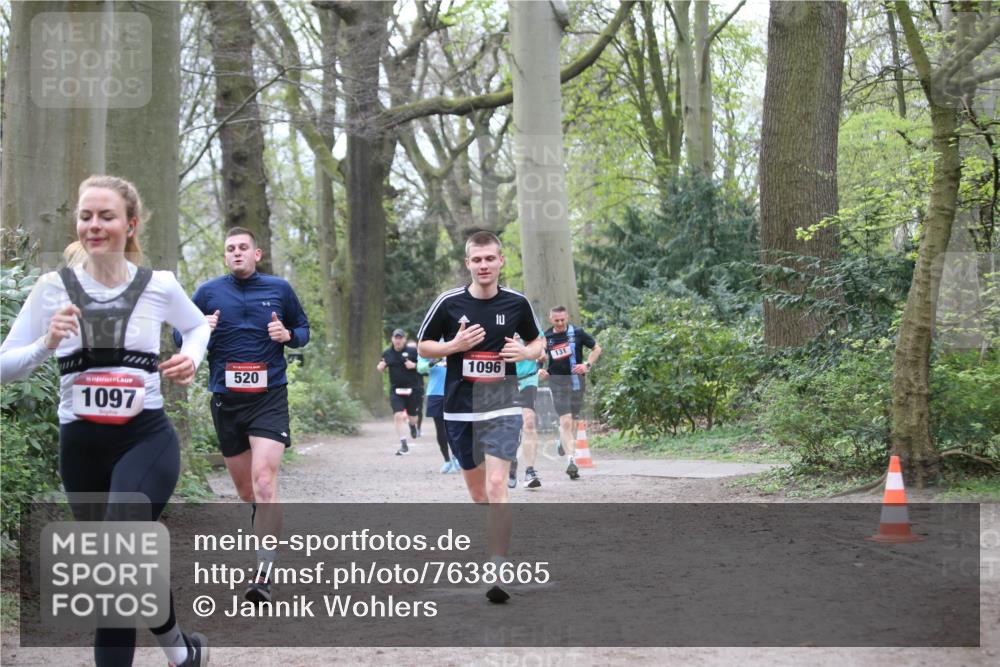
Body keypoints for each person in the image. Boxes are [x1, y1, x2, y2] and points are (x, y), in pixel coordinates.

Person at [0, 175, 211, 667]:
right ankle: (181, 652)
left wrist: (192, 357)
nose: (94, 225)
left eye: (107, 216)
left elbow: (197, 325)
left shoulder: (159, 285)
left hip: (146, 439)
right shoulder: (53, 289)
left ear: (130, 224)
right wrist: (45, 345)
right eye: (86, 216)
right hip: (81, 447)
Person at [184, 226, 310, 605]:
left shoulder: (279, 288)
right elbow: (180, 336)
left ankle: (264, 571)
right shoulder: (207, 293)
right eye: (230, 249)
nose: (237, 253)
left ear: (257, 253)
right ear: (225, 256)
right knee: (246, 491)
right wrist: (198, 328)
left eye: (243, 248)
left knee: (265, 480)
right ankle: (265, 522)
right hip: (226, 400)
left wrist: (287, 335)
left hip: (269, 396)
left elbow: (304, 331)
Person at [418, 231, 544, 603]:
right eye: (477, 259)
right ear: (468, 263)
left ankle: (498, 567)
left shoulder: (517, 303)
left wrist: (525, 353)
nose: (484, 265)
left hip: (503, 405)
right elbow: (424, 345)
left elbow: (538, 343)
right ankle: (496, 531)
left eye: (490, 258)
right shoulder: (449, 303)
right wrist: (454, 347)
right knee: (478, 493)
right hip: (460, 409)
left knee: (496, 485)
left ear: (501, 261)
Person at [538, 305, 602, 480]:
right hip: (557, 382)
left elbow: (597, 348)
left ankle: (562, 441)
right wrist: (540, 371)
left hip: (576, 382)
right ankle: (571, 461)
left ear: (567, 318)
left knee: (573, 422)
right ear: (551, 319)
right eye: (556, 320)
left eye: (562, 320)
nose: (559, 323)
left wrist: (587, 365)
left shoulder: (578, 333)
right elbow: (540, 357)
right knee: (565, 421)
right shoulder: (546, 336)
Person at [377, 329, 421, 455]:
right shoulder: (387, 353)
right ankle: (404, 445)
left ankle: (413, 426)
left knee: (413, 418)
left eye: (400, 338)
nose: (398, 340)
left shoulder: (413, 351)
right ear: (392, 339)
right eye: (396, 338)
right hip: (396, 390)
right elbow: (381, 365)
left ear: (404, 340)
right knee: (398, 415)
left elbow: (424, 365)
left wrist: (414, 365)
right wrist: (380, 367)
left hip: (413, 390)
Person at [513, 334, 546, 489]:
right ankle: (508, 462)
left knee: (529, 422)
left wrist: (542, 351)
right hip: (505, 380)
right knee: (508, 425)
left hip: (528, 378)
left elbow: (541, 341)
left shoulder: (527, 319)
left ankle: (530, 471)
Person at [417, 351, 459, 473]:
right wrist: (435, 360)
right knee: (440, 429)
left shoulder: (455, 342)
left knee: (455, 427)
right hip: (435, 393)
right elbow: (420, 368)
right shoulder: (428, 346)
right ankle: (447, 460)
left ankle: (457, 457)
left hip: (454, 390)